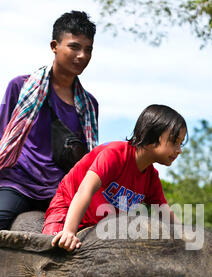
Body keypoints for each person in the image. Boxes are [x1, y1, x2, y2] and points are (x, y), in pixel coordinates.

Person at [0, 10, 98, 230]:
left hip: (59, 190)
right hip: (18, 183)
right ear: (55, 46)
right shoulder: (20, 86)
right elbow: (4, 138)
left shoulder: (90, 105)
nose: (82, 55)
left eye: (88, 49)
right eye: (74, 46)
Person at [42, 104, 187, 252]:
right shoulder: (115, 155)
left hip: (102, 226)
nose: (179, 150)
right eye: (174, 142)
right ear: (151, 135)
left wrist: (185, 236)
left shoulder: (151, 177)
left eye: (180, 144)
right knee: (53, 251)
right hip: (68, 210)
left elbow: (164, 211)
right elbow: (86, 189)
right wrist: (69, 232)